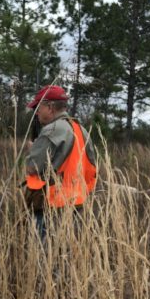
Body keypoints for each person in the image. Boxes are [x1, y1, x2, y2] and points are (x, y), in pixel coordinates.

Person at [23, 84, 97, 238]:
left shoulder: (53, 129)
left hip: (51, 207)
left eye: (38, 107)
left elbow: (32, 167)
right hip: (76, 204)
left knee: (43, 256)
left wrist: (32, 149)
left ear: (50, 107)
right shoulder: (80, 129)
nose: (36, 112)